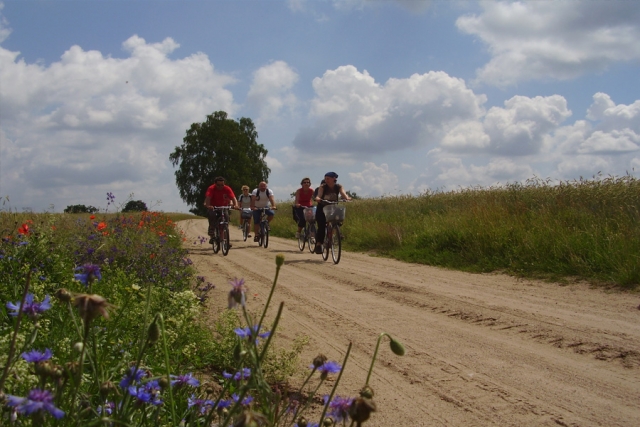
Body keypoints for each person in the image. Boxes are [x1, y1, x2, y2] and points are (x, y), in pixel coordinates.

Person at [313, 172, 351, 254]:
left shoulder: (338, 186)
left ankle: (335, 233)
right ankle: (319, 244)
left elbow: (343, 193)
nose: (326, 180)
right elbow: (319, 194)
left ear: (334, 179)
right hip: (322, 209)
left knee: (338, 219)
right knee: (321, 226)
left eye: (328, 178)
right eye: (325, 178)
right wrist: (318, 198)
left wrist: (347, 198)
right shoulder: (323, 186)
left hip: (332, 208)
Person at [204, 177, 238, 245]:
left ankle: (225, 238)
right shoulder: (211, 188)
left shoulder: (227, 188)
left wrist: (236, 205)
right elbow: (208, 198)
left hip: (223, 207)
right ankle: (211, 230)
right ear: (215, 184)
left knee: (226, 217)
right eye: (218, 185)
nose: (220, 187)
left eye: (222, 185)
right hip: (214, 207)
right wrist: (208, 205)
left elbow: (233, 197)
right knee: (212, 215)